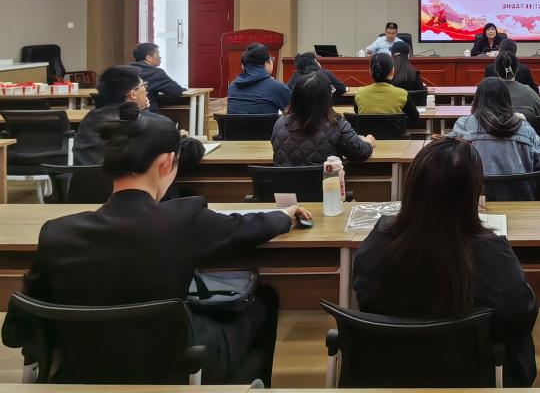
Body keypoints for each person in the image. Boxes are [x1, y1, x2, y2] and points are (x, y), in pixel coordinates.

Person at [4, 108, 312, 385]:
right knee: (263, 301)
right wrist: (285, 216)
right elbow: (245, 228)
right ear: (166, 162)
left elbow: (16, 331)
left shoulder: (56, 233)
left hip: (79, 370)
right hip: (171, 366)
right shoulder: (182, 219)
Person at [353, 139, 538, 386]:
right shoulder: (493, 255)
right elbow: (521, 315)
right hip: (475, 378)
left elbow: (365, 297)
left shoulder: (378, 242)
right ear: (473, 194)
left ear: (411, 187)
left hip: (390, 375)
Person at [75, 66, 203, 176]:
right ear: (133, 94)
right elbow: (191, 150)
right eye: (144, 86)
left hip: (88, 192)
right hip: (133, 192)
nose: (146, 90)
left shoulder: (88, 120)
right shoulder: (150, 122)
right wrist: (179, 137)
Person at [448, 78, 540, 178]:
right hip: (517, 189)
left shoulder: (464, 124)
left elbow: (448, 154)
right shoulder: (523, 126)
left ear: (478, 98)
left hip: (476, 188)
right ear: (506, 98)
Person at [272, 73, 376, 166]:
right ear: (326, 99)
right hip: (326, 182)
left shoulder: (279, 124)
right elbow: (361, 153)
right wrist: (368, 142)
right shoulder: (337, 124)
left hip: (285, 182)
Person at [353, 53, 420, 124]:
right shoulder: (402, 94)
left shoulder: (360, 93)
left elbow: (357, 113)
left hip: (367, 131)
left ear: (370, 71)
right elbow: (415, 116)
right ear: (392, 71)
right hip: (394, 131)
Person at [227, 44, 292, 115]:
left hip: (236, 123)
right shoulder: (277, 87)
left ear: (243, 66)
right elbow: (296, 115)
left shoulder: (232, 87)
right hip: (268, 123)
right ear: (266, 64)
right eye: (272, 60)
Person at [491, 50, 540, 122]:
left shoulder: (487, 92)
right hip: (524, 128)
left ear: (496, 69)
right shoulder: (528, 91)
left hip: (494, 129)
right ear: (517, 68)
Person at [128, 42, 184, 115]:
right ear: (148, 57)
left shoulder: (125, 71)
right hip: (148, 115)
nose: (160, 57)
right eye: (158, 54)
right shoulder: (156, 73)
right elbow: (176, 91)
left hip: (124, 114)